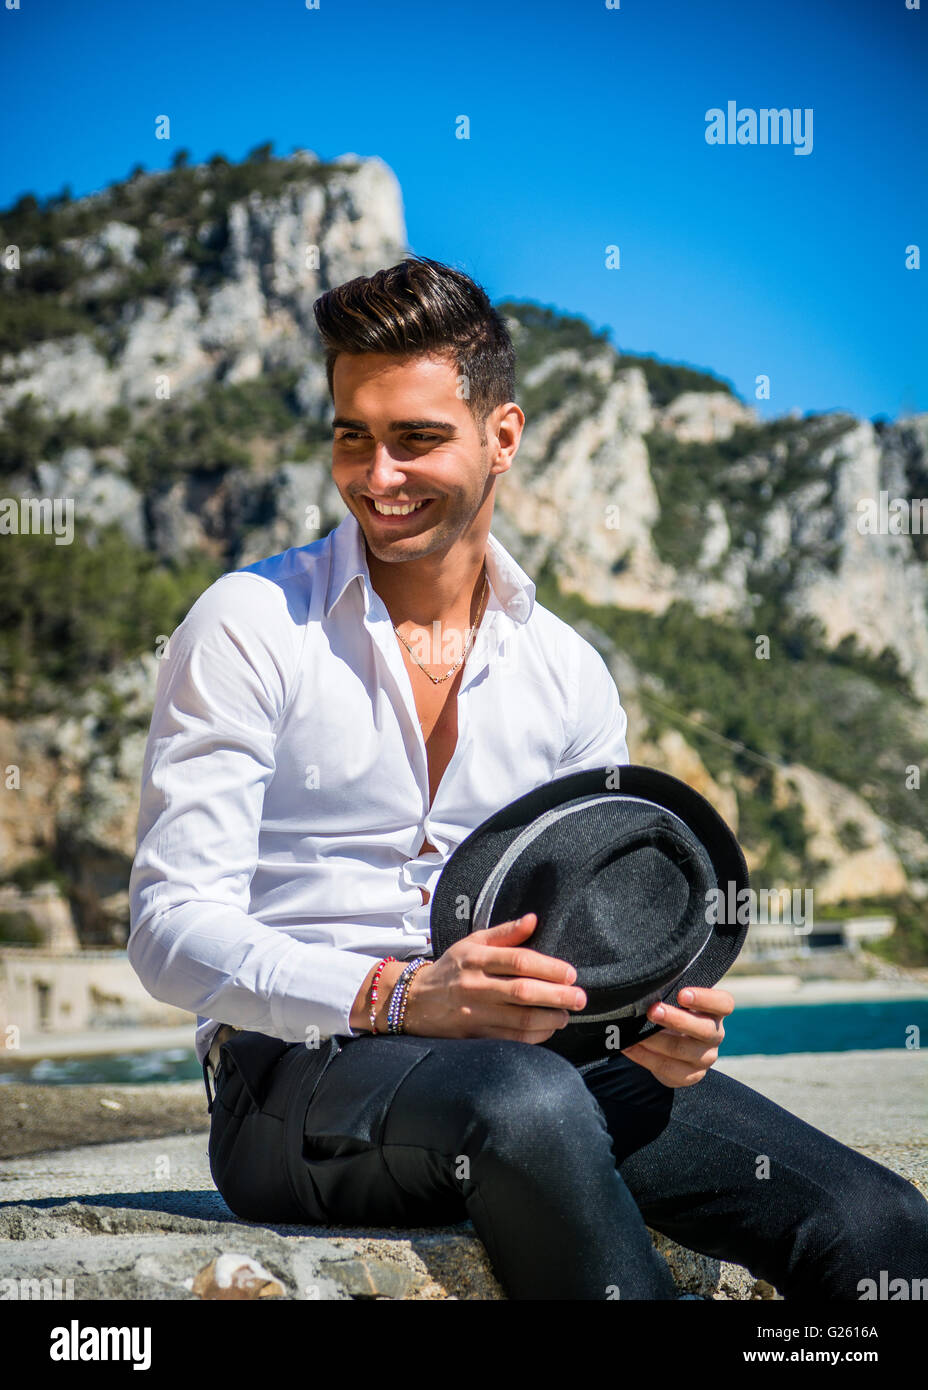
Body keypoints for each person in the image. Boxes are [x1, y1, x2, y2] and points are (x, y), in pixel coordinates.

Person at [128, 255, 928, 1301]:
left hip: (542, 1067)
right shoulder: (247, 623)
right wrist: (398, 994)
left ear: (502, 436)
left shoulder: (568, 674)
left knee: (876, 1222)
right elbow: (168, 927)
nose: (378, 476)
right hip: (294, 1080)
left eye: (416, 439)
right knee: (526, 1105)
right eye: (350, 436)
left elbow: (585, 931)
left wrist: (656, 1023)